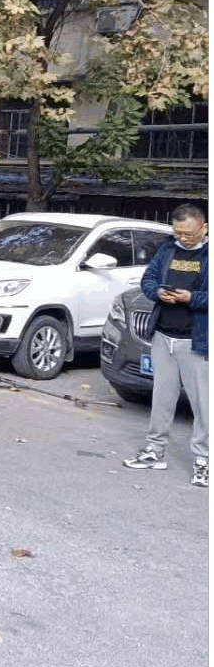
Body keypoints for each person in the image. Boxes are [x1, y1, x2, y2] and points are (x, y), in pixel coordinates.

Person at [122, 203, 208, 488]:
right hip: (163, 336)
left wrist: (191, 298)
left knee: (203, 405)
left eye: (188, 234)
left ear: (204, 228)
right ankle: (154, 451)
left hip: (197, 342)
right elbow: (148, 279)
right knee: (162, 399)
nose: (182, 238)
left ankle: (203, 460)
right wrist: (158, 292)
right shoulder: (167, 250)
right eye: (178, 232)